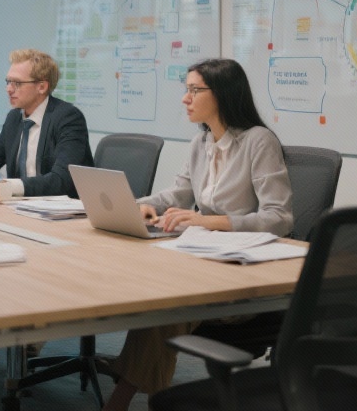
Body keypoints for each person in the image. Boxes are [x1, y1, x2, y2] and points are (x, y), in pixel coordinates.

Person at [102, 57, 294, 411]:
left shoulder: (258, 141)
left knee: (164, 307)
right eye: (186, 89)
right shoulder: (201, 142)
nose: (185, 98)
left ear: (222, 94)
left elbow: (279, 217)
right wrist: (139, 205)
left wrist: (210, 221)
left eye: (194, 90)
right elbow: (177, 194)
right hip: (203, 262)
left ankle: (121, 400)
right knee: (158, 298)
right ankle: (148, 397)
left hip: (242, 278)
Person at [0, 48, 93, 198]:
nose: (9, 89)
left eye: (17, 83)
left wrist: (4, 188)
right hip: (20, 205)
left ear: (42, 87)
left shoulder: (68, 118)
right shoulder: (14, 118)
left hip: (62, 207)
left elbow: (61, 179)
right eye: (8, 82)